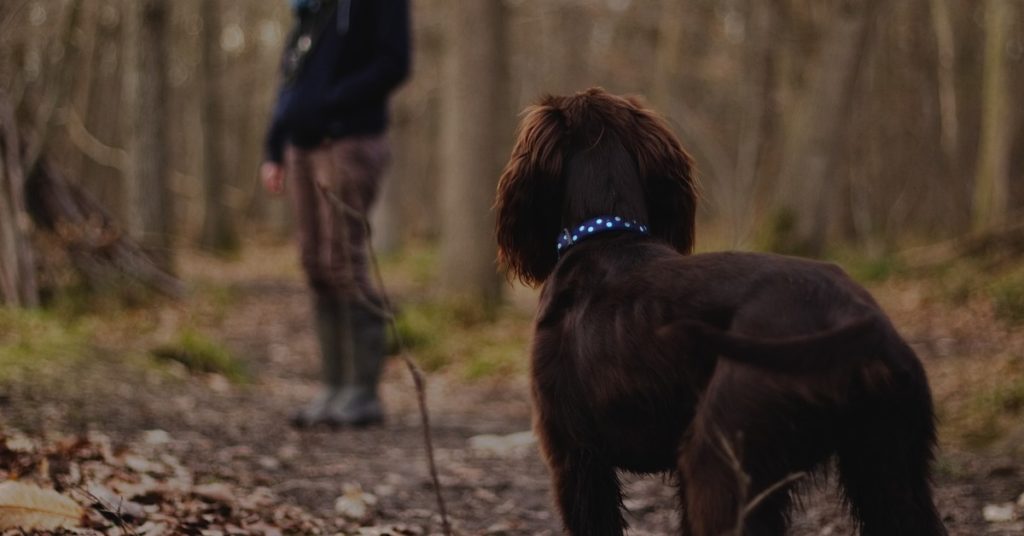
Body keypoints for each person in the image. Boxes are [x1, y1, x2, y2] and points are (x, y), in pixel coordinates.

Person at [261, 0, 410, 427]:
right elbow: (290, 75)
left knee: (345, 260)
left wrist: (331, 102)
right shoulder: (308, 8)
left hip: (348, 140)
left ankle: (363, 392)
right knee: (315, 263)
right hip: (301, 145)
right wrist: (274, 147)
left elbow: (393, 62)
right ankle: (332, 386)